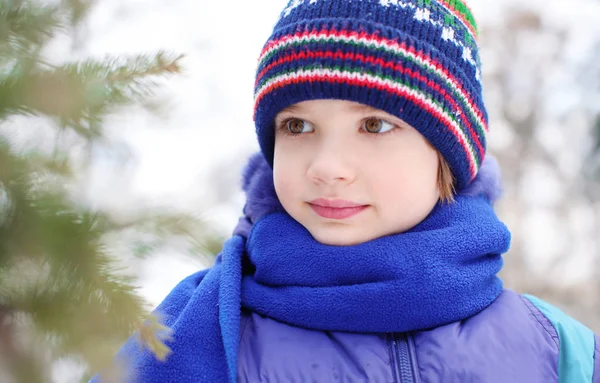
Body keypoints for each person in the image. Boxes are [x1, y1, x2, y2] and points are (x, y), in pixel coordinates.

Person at [91, 0, 600, 382]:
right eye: (297, 126)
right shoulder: (200, 334)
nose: (327, 167)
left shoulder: (561, 352)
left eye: (375, 126)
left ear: (447, 151)